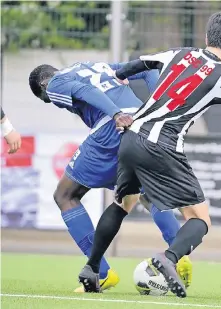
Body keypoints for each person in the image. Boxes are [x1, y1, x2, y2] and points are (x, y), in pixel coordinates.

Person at [77, 11, 221, 297]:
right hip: (162, 146)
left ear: (207, 37)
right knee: (200, 219)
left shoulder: (179, 54)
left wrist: (120, 75)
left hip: (131, 137)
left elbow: (135, 65)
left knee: (123, 203)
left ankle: (91, 267)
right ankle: (168, 258)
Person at [28, 60, 192, 292]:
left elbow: (85, 90)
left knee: (65, 195)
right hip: (145, 125)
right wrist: (160, 107)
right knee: (143, 194)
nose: (53, 102)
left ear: (43, 85)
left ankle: (100, 273)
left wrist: (116, 114)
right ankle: (179, 256)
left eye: (46, 99)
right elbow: (147, 68)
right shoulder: (97, 65)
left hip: (113, 126)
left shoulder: (55, 83)